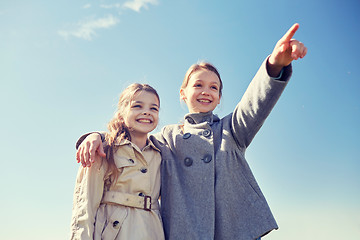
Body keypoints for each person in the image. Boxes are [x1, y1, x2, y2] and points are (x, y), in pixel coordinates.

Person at [76, 23, 307, 239]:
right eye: (198, 85)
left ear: (218, 99)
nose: (206, 91)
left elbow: (254, 104)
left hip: (229, 231)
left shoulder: (232, 130)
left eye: (213, 87)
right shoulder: (167, 136)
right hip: (183, 231)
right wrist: (95, 137)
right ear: (183, 93)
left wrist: (275, 64)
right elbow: (133, 141)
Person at [70, 83, 165, 240]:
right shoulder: (103, 149)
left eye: (153, 108)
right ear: (121, 113)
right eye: (138, 106)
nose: (146, 112)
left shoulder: (161, 153)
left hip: (152, 231)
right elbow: (84, 205)